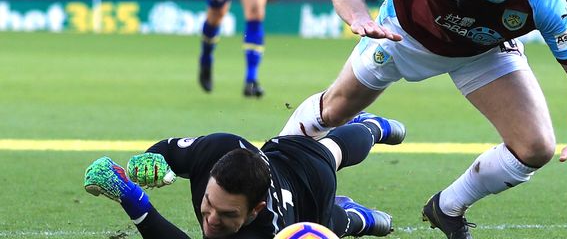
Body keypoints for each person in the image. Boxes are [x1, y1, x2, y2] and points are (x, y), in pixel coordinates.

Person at [280, 0, 567, 239]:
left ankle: (447, 208)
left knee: (536, 147)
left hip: (480, 52)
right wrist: (359, 17)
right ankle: (275, 176)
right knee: (333, 111)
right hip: (402, 36)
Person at [83, 112, 405, 238]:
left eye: (227, 214)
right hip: (273, 162)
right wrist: (150, 161)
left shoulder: (258, 236)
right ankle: (372, 129)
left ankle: (370, 129)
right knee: (328, 149)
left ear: (255, 211)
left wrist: (131, 197)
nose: (210, 218)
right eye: (209, 202)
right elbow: (166, 150)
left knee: (332, 156)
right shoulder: (216, 149)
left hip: (306, 185)